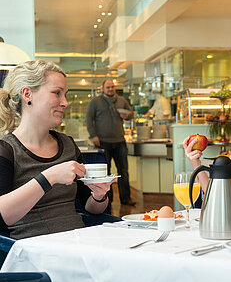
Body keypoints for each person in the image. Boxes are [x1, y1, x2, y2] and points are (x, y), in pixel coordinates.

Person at [0, 60, 113, 239]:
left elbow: (91, 208)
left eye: (65, 95)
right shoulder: (6, 150)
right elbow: (2, 216)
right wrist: (49, 177)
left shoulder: (67, 144)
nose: (65, 103)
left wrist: (99, 196)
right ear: (27, 94)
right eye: (57, 93)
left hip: (78, 243)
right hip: (33, 254)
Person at [86, 80, 135, 206]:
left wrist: (127, 116)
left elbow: (131, 114)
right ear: (102, 88)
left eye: (112, 87)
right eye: (108, 87)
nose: (110, 89)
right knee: (106, 173)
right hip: (103, 142)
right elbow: (88, 119)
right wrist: (93, 135)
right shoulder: (95, 102)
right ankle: (108, 200)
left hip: (120, 141)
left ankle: (126, 199)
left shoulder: (122, 100)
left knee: (123, 171)